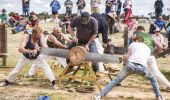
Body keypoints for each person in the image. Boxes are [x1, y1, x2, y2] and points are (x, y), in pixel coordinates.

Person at [95, 36, 164, 100]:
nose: (132, 41)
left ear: (136, 40)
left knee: (115, 81)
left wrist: (124, 61)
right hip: (142, 68)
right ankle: (158, 96)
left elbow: (127, 57)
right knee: (153, 79)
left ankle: (100, 95)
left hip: (130, 66)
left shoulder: (133, 44)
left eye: (133, 40)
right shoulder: (148, 49)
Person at [135, 26, 170, 91]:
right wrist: (156, 55)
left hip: (141, 57)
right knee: (155, 73)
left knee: (129, 69)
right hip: (150, 56)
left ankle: (116, 82)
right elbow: (160, 46)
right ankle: (167, 86)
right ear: (144, 30)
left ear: (138, 30)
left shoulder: (137, 35)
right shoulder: (150, 36)